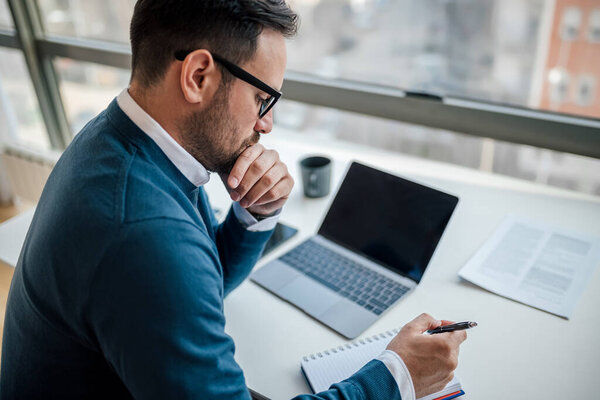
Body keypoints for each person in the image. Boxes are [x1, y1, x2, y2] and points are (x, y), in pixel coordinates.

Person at [0, 1, 467, 399]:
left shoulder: (119, 140)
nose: (266, 125)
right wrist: (396, 378)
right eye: (263, 98)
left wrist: (256, 213)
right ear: (198, 76)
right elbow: (166, 265)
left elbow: (200, 281)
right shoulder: (142, 233)